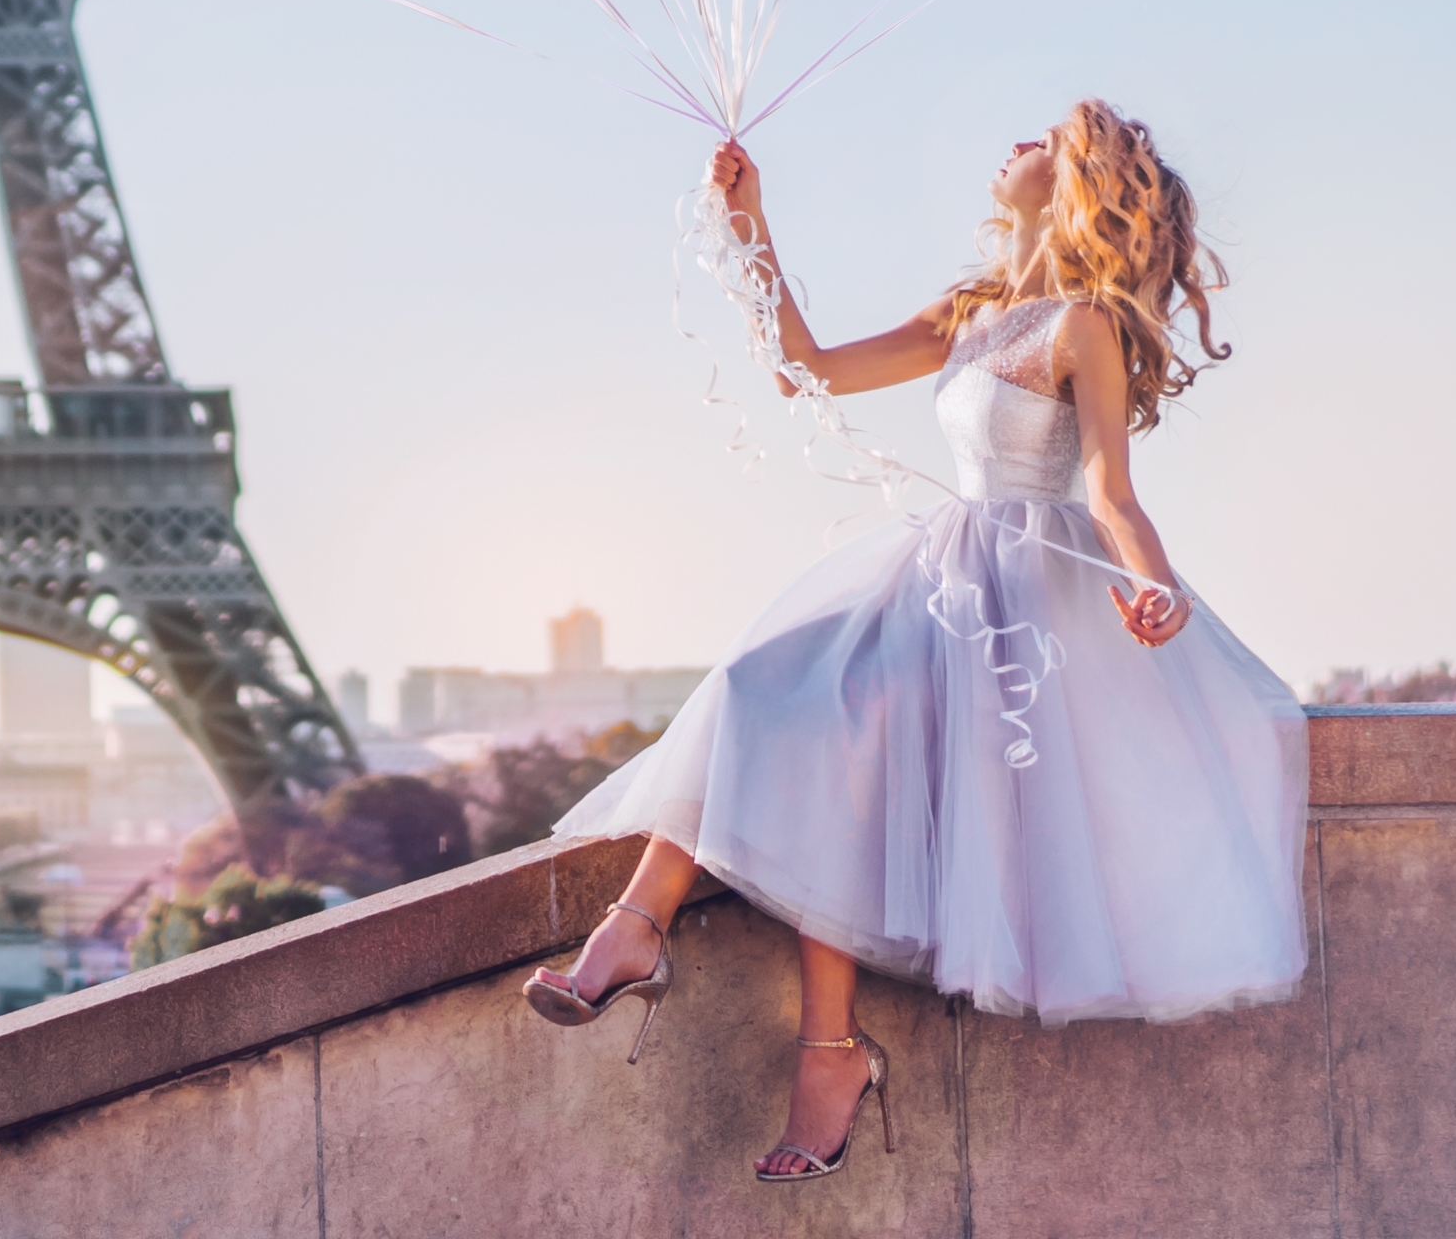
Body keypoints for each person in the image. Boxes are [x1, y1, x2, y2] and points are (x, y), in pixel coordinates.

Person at [525, 101, 1308, 1184]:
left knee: (849, 748)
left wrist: (1153, 587)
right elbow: (810, 366)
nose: (1013, 142)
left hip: (1023, 604)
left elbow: (1111, 493)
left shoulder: (1082, 325)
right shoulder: (975, 310)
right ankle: (646, 932)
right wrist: (752, 225)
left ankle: (818, 1052)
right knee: (762, 690)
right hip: (940, 570)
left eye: (1042, 137)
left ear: (1080, 177)